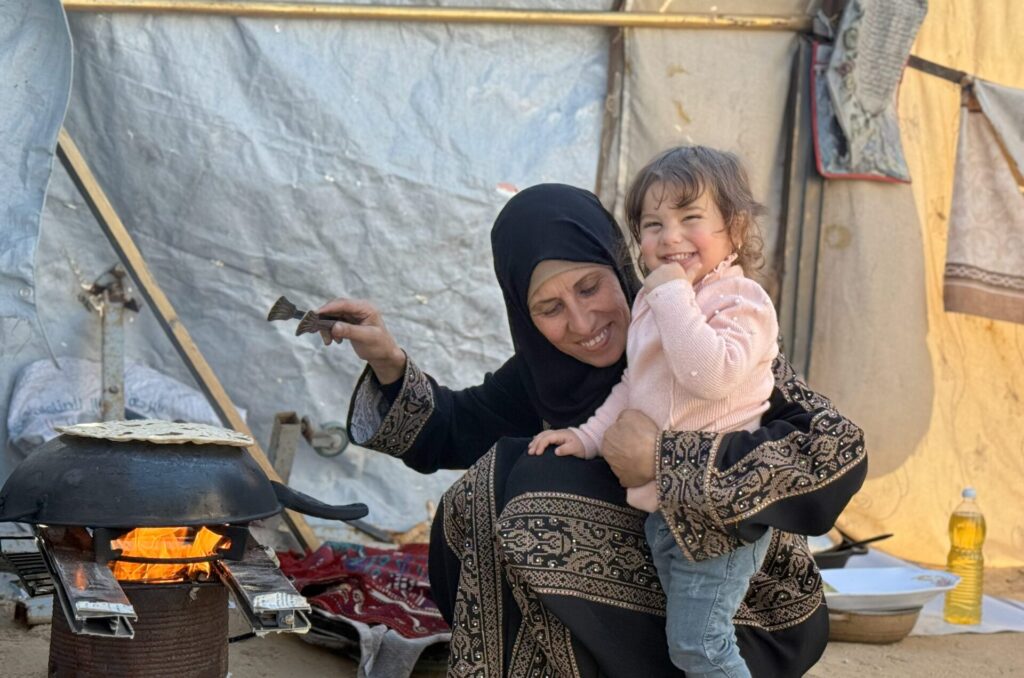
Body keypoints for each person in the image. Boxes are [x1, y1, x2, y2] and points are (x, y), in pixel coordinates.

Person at [320, 183, 866, 677]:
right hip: (648, 596)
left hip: (746, 609)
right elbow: (453, 428)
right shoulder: (545, 377)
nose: (582, 323)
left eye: (589, 287)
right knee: (480, 495)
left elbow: (835, 451)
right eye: (550, 307)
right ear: (522, 315)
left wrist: (665, 459)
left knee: (527, 485)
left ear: (620, 266)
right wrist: (389, 361)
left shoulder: (709, 337)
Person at [528, 147, 779, 677]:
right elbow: (633, 385)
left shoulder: (742, 301)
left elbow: (707, 374)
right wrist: (588, 435)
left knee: (701, 645)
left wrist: (670, 296)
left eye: (691, 218)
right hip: (666, 516)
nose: (670, 237)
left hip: (720, 517)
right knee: (685, 643)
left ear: (733, 229)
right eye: (653, 224)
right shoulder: (657, 301)